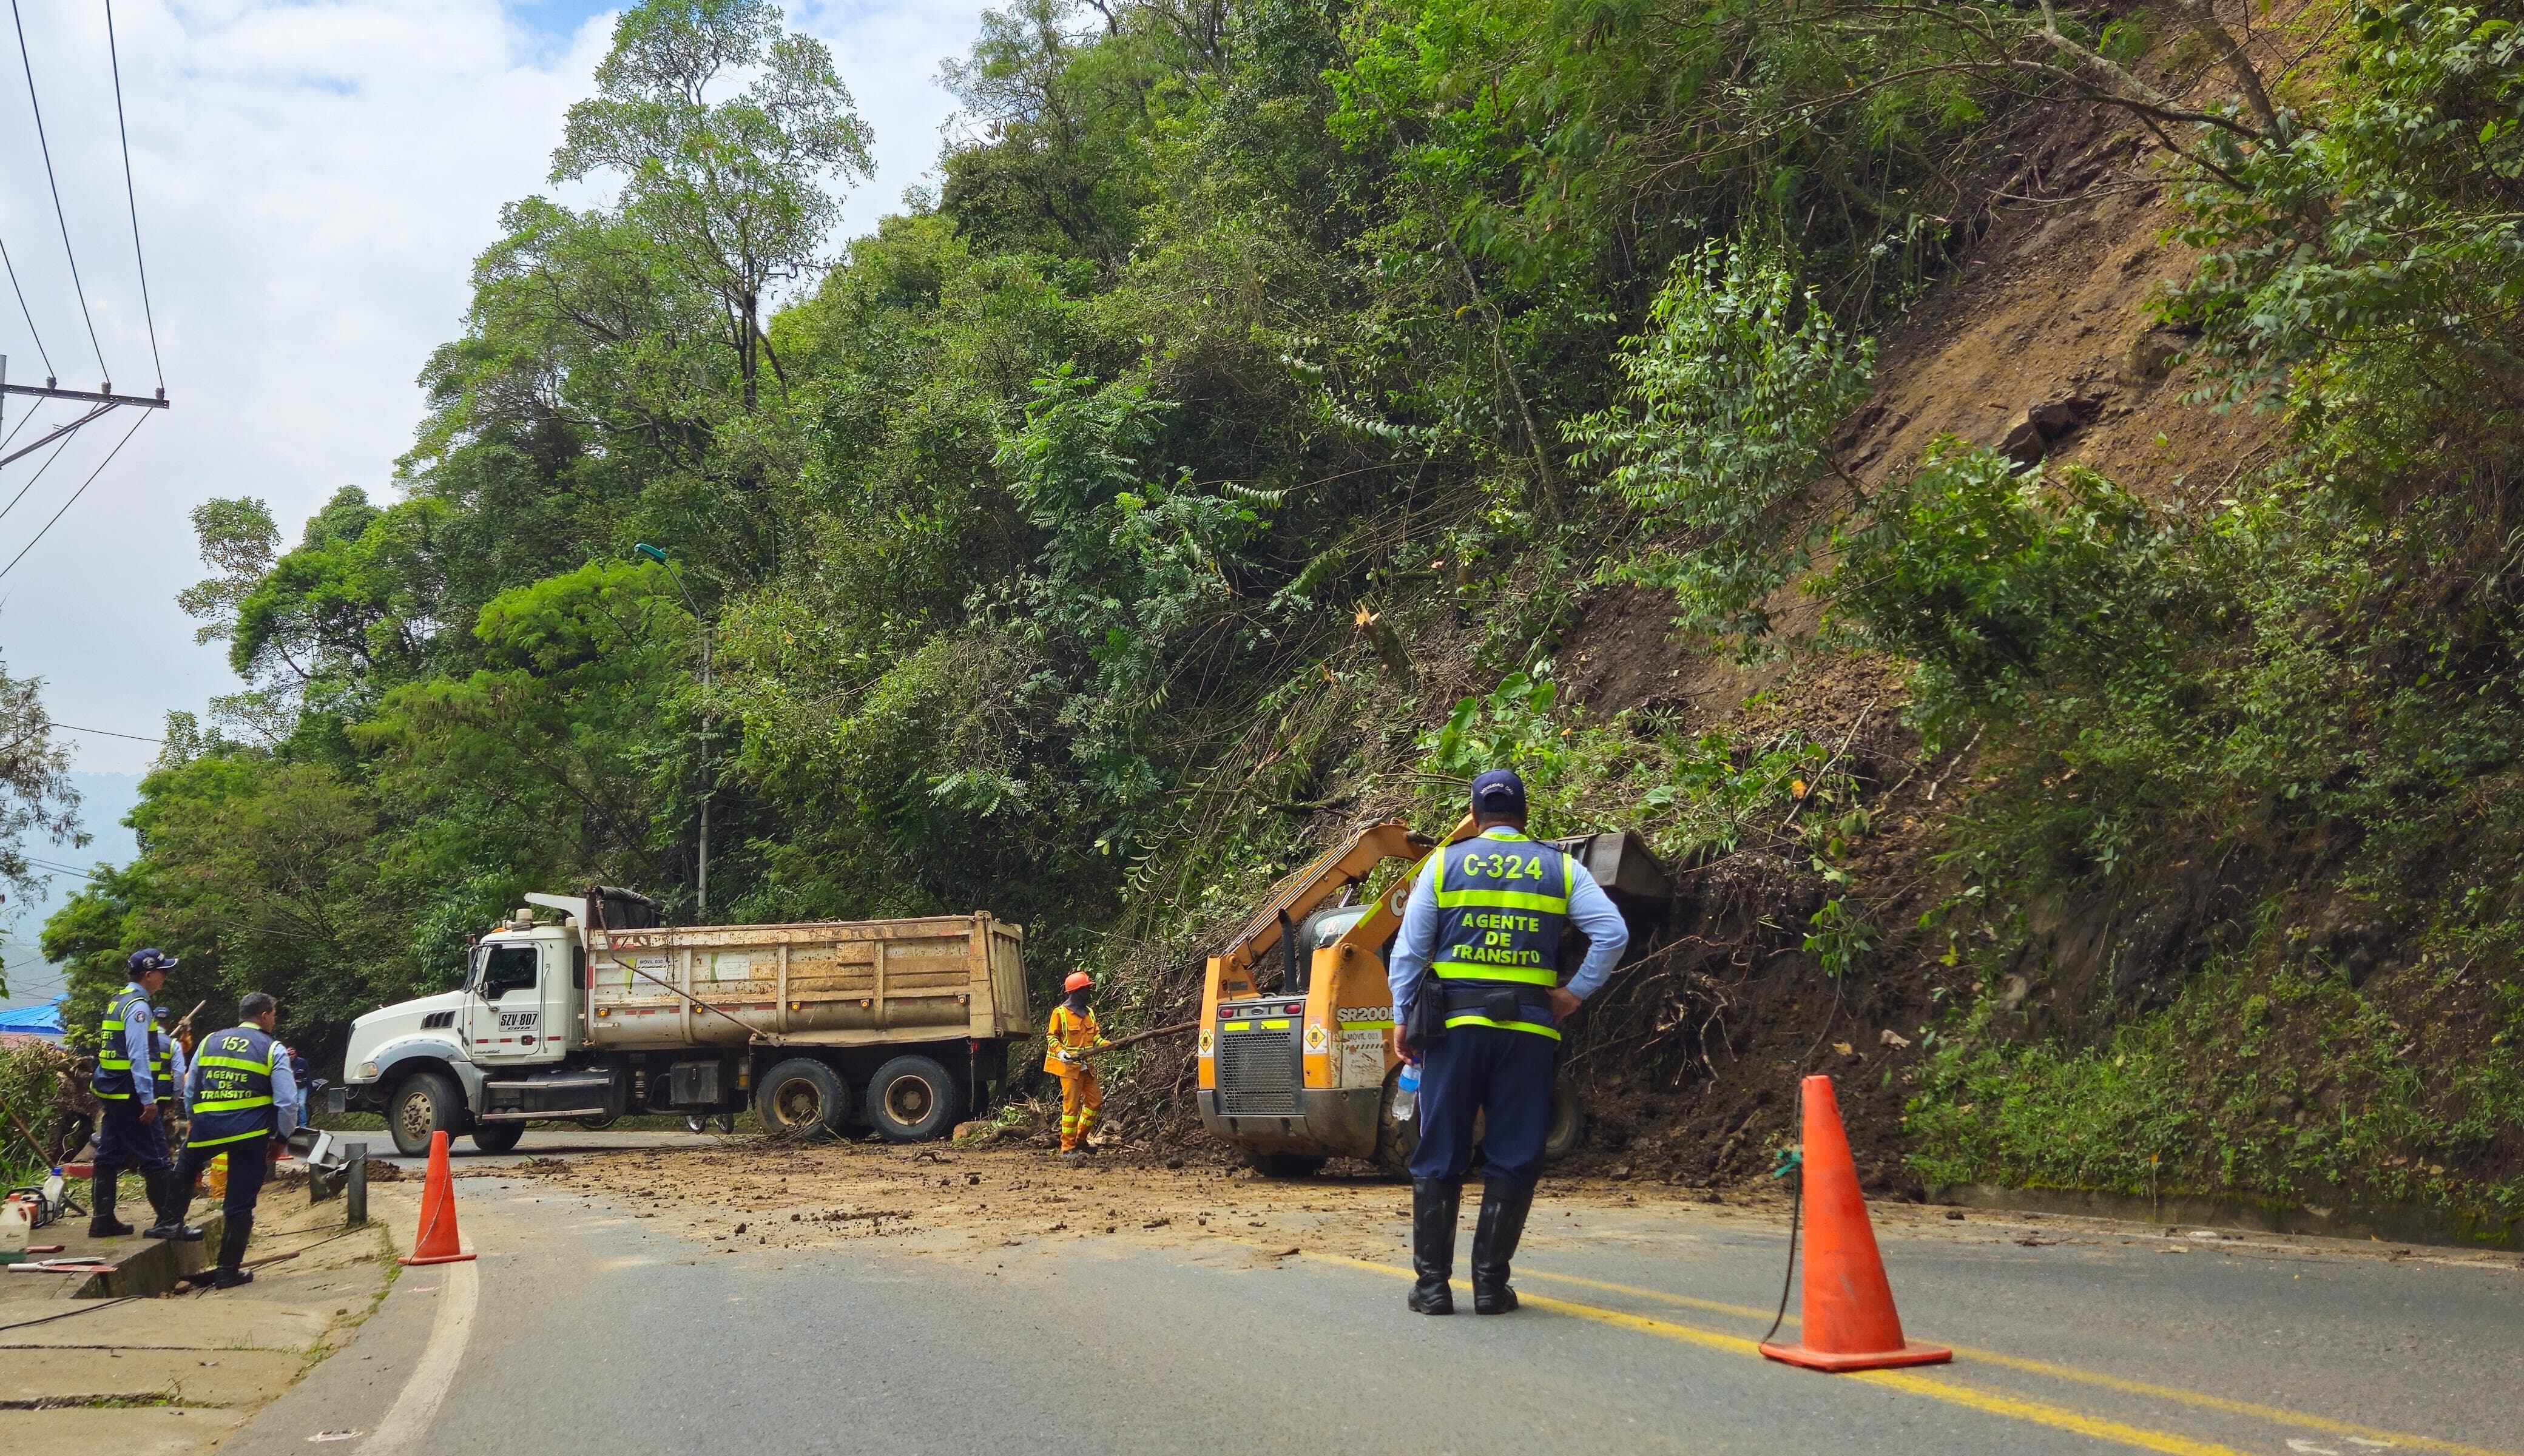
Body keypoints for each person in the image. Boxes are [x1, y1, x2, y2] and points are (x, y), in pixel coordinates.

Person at [1387, 769, 1629, 1315]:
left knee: (1441, 1150)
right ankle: (1492, 1288)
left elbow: (1409, 951)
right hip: (1528, 1034)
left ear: (1475, 813)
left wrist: (1403, 1016)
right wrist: (1575, 994)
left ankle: (1432, 1288)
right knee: (1515, 1154)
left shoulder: (1446, 865)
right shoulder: (1561, 868)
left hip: (1455, 1031)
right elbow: (1612, 933)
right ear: (1524, 814)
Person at [174, 993, 299, 1289]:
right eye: (274, 1015)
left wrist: (194, 1120)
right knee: (239, 1206)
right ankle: (228, 1272)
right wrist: (281, 1138)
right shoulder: (273, 1049)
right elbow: (287, 1102)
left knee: (184, 1167)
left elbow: (190, 1088)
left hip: (206, 1127)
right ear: (265, 1015)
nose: (274, 1020)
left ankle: (170, 1222)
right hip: (250, 1134)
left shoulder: (208, 1041)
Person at [87, 949, 198, 1241]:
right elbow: (138, 1056)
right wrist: (148, 1100)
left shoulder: (117, 1001)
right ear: (148, 974)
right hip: (131, 1093)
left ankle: (102, 1220)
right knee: (157, 1156)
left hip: (111, 1090)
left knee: (108, 1154)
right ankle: (169, 1221)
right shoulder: (138, 1007)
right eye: (163, 972)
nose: (165, 977)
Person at [1043, 971, 1108, 1159]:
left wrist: (1111, 1046)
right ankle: (1067, 1147)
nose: (1090, 993)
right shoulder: (1060, 1013)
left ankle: (1080, 1139)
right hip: (1069, 1069)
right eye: (1087, 990)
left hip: (1087, 1067)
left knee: (1095, 1102)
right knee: (1071, 1108)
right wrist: (1061, 1053)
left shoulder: (1089, 1013)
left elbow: (1095, 1039)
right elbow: (1052, 1037)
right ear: (1077, 992)